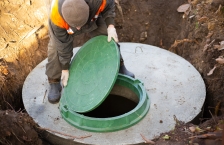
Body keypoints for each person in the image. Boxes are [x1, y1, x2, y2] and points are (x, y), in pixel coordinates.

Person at [46, 0, 135, 104]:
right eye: (77, 26)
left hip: (91, 19)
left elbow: (109, 6)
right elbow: (63, 45)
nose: (79, 29)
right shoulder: (56, 17)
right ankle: (54, 81)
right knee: (55, 49)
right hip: (66, 25)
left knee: (107, 36)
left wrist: (111, 26)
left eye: (80, 26)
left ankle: (118, 65)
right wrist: (65, 68)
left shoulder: (97, 1)